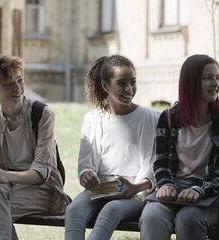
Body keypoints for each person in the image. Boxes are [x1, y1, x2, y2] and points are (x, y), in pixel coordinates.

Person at [139, 54, 219, 240]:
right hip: (175, 188)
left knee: (188, 219)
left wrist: (199, 189)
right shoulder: (169, 118)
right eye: (207, 78)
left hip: (212, 191)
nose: (215, 84)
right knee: (151, 217)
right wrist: (165, 184)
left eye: (217, 78)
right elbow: (161, 163)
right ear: (190, 83)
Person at [0, 55, 71, 240]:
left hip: (42, 188)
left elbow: (41, 172)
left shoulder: (42, 115)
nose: (17, 88)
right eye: (9, 84)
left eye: (19, 80)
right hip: (5, 187)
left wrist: (4, 175)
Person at [64, 55, 159, 240]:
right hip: (100, 190)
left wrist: (135, 188)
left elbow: (154, 168)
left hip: (135, 192)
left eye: (132, 82)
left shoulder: (149, 118)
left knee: (111, 210)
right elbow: (85, 164)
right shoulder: (92, 119)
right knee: (74, 210)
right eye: (121, 83)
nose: (129, 89)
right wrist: (87, 175)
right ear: (105, 86)